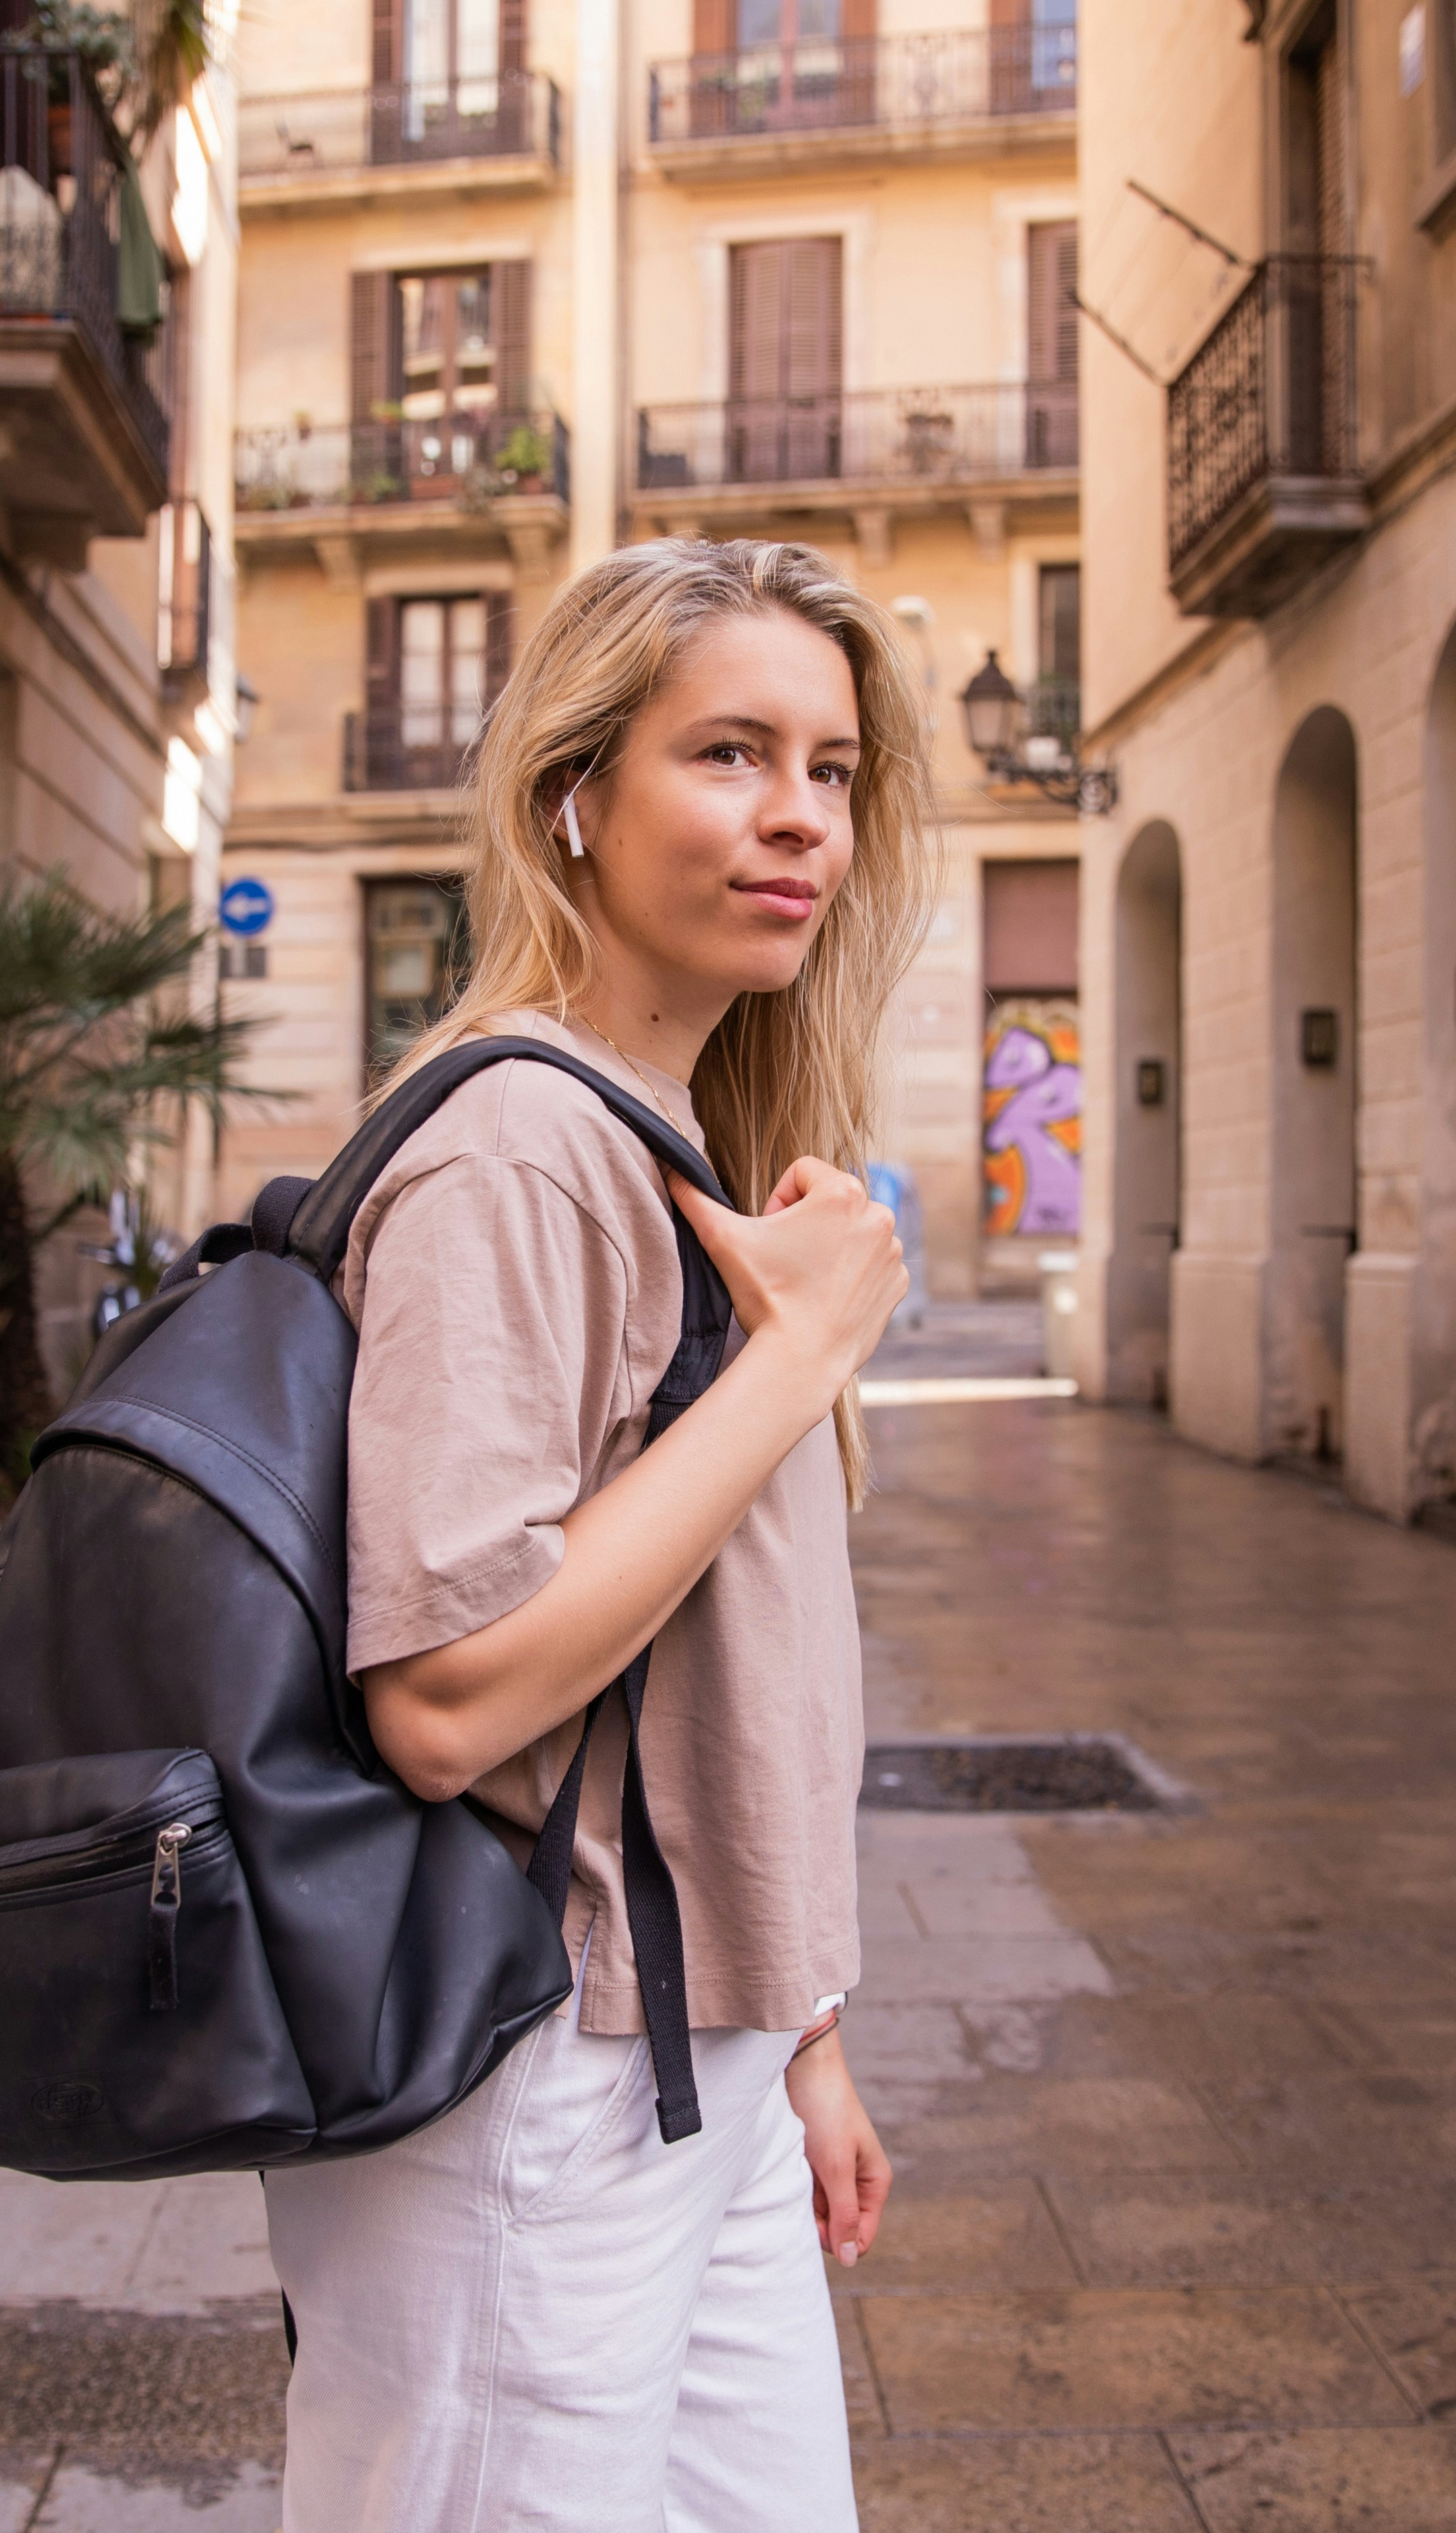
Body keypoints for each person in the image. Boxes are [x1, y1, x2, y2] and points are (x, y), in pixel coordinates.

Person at [260, 537, 936, 2530]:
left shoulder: (676, 1136)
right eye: (727, 753)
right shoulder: (517, 1148)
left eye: (828, 766)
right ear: (577, 790)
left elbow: (732, 1665)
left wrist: (798, 2027)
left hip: (696, 2054)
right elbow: (450, 1697)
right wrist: (795, 1355)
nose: (796, 815)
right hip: (534, 2074)